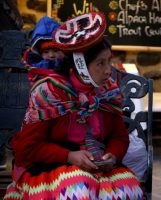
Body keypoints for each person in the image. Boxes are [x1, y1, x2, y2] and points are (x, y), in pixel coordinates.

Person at [4, 12, 143, 199]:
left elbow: (119, 136)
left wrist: (112, 155)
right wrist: (69, 156)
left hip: (98, 166)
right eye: (100, 64)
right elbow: (29, 147)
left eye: (109, 61)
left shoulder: (107, 91)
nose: (109, 70)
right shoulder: (50, 92)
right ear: (81, 66)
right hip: (51, 167)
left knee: (129, 190)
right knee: (78, 189)